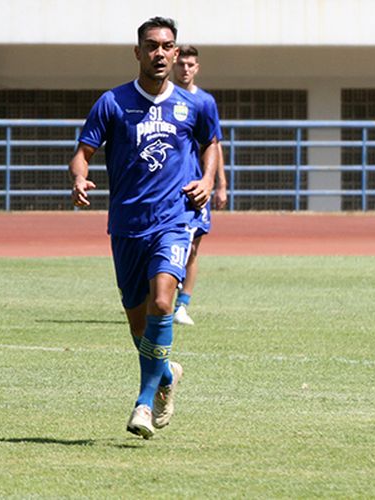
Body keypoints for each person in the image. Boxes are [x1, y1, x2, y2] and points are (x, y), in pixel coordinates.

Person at [68, 17, 221, 439]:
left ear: (176, 53)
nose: (159, 53)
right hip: (126, 225)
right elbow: (82, 153)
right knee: (139, 327)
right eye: (151, 46)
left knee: (161, 302)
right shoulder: (113, 103)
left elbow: (211, 143)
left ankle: (143, 402)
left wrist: (208, 181)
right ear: (138, 52)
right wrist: (79, 178)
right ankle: (166, 375)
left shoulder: (197, 106)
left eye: (166, 46)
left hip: (174, 219)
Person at [171, 45, 228, 326]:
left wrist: (220, 184)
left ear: (197, 68)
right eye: (181, 64)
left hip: (197, 187)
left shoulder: (205, 102)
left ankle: (181, 305)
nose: (185, 69)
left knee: (192, 247)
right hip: (169, 187)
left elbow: (213, 145)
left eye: (190, 64)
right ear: (173, 64)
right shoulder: (161, 98)